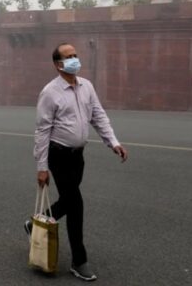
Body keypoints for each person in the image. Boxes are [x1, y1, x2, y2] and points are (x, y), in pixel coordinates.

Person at [26, 42, 128, 282]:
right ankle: (79, 261)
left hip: (78, 156)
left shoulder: (87, 87)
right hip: (58, 155)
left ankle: (35, 224)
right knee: (76, 205)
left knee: (69, 201)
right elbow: (42, 131)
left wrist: (113, 142)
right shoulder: (50, 92)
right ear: (58, 64)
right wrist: (41, 168)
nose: (75, 59)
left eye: (75, 55)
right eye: (68, 56)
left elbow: (98, 115)